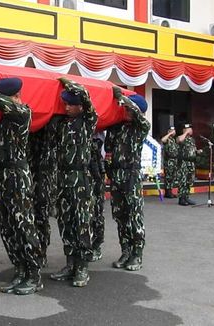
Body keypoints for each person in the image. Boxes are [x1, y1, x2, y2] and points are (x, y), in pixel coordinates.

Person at [0, 68, 43, 295]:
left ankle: (34, 275)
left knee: (24, 227)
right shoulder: (4, 120)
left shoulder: (20, 112)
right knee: (9, 228)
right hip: (3, 179)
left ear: (11, 97)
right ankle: (21, 270)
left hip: (17, 178)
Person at [50, 78, 97, 287]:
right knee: (66, 223)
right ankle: (70, 264)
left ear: (80, 106)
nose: (67, 108)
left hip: (80, 180)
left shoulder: (87, 121)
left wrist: (69, 83)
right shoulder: (62, 125)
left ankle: (82, 267)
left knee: (81, 224)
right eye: (65, 104)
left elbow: (87, 98)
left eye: (71, 104)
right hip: (63, 179)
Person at [105, 89, 150, 272]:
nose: (127, 111)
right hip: (116, 176)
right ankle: (126, 251)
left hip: (131, 176)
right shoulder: (119, 127)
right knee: (120, 216)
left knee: (134, 216)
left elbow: (137, 113)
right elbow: (108, 147)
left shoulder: (141, 127)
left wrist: (122, 98)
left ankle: (137, 254)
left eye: (130, 109)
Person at [27, 118, 58, 268]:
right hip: (28, 171)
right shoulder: (27, 124)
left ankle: (41, 251)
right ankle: (31, 250)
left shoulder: (51, 126)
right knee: (29, 216)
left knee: (41, 214)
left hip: (44, 174)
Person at [89, 132, 106, 262]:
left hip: (96, 175)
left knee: (97, 212)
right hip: (83, 175)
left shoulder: (98, 137)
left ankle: (96, 245)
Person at [177, 124, 200, 206]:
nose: (190, 130)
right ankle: (181, 198)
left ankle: (186, 197)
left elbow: (193, 149)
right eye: (188, 129)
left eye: (190, 129)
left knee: (189, 180)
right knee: (183, 180)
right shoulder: (181, 137)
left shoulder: (192, 140)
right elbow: (179, 140)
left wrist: (197, 152)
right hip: (184, 162)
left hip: (191, 162)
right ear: (184, 130)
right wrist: (186, 133)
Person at [161, 126, 179, 198]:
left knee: (173, 177)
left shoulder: (174, 140)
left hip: (174, 160)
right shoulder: (167, 139)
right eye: (171, 130)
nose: (173, 132)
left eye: (174, 130)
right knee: (168, 176)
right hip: (169, 160)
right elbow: (162, 140)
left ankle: (170, 191)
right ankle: (167, 192)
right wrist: (169, 134)